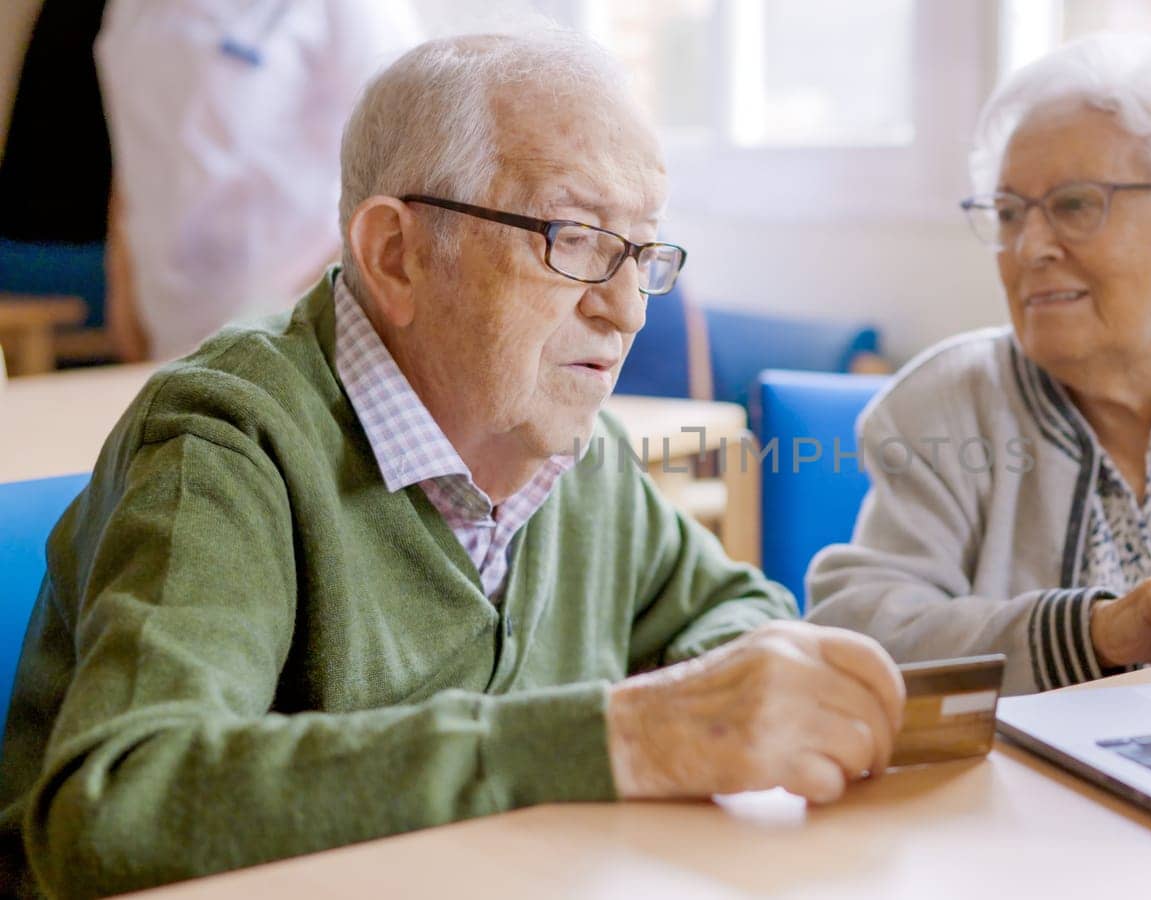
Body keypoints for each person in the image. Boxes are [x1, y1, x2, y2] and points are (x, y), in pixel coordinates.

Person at [0, 31, 904, 898]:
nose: (627, 311)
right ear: (395, 254)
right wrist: (624, 740)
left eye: (639, 251)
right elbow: (121, 803)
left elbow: (727, 610)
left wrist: (729, 700)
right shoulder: (228, 442)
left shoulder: (582, 452)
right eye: (575, 236)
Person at [808, 33, 1151, 696]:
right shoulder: (946, 402)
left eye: (1076, 205)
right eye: (1008, 213)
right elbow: (860, 634)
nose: (1029, 247)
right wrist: (1094, 632)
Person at [95, 0, 424, 361]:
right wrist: (123, 295)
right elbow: (135, 154)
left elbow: (410, 159)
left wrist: (300, 315)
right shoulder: (128, 8)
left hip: (300, 338)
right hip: (164, 334)